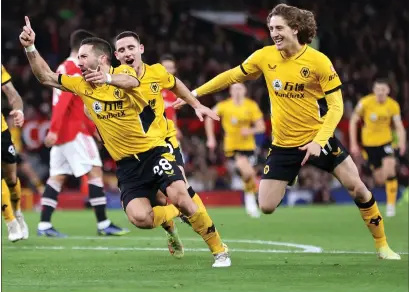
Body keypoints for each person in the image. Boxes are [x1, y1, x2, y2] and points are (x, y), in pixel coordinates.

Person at [174, 3, 400, 260]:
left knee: (358, 188)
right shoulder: (265, 56)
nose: (274, 33)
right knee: (266, 206)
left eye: (279, 28)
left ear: (295, 29)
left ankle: (383, 245)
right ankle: (290, 174)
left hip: (318, 139)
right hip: (283, 145)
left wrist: (319, 141)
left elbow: (336, 107)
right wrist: (193, 94)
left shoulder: (318, 61)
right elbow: (232, 76)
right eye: (271, 28)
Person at [19, 17, 231, 268]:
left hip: (154, 150)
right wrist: (30, 48)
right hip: (127, 166)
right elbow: (45, 77)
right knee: (140, 217)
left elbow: (133, 82)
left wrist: (107, 79)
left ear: (102, 59)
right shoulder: (81, 85)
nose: (79, 61)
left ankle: (219, 250)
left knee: (181, 195)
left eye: (84, 56)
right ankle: (174, 215)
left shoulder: (124, 72)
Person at [113, 31, 226, 260]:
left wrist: (196, 104)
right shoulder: (113, 78)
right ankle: (171, 225)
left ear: (141, 49)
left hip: (164, 143)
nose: (127, 53)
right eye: (122, 50)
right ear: (116, 55)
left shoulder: (156, 72)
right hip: (134, 154)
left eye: (131, 48)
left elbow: (176, 85)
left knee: (180, 192)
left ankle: (219, 249)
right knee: (156, 203)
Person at [37, 29, 128, 237]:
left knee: (57, 178)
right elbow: (65, 102)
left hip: (64, 133)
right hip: (74, 132)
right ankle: (104, 223)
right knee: (95, 171)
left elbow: (70, 103)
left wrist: (57, 131)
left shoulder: (63, 67)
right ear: (81, 50)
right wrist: (55, 129)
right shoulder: (73, 69)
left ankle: (44, 225)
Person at [205, 83, 265, 218]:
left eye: (240, 88)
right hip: (232, 148)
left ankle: (251, 201)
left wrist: (250, 130)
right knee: (248, 171)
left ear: (245, 91)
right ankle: (252, 201)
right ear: (230, 92)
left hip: (249, 147)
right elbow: (209, 117)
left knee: (248, 175)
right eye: (234, 89)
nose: (237, 91)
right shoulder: (224, 105)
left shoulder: (251, 105)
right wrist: (211, 138)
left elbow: (261, 127)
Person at [349, 79, 406, 217]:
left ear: (388, 91)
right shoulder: (365, 102)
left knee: (390, 169)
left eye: (383, 90)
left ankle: (391, 206)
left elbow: (398, 126)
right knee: (379, 179)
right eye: (378, 89)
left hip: (386, 143)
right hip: (369, 145)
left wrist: (402, 142)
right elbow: (353, 120)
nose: (380, 92)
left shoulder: (393, 105)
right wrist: (353, 144)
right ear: (374, 90)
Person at [1, 64, 29, 242]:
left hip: (1, 131)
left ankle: (17, 212)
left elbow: (12, 94)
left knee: (11, 178)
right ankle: (10, 222)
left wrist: (18, 110)